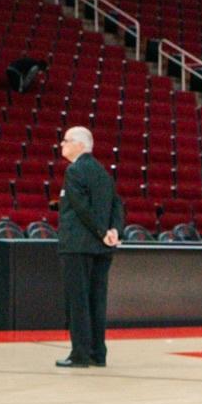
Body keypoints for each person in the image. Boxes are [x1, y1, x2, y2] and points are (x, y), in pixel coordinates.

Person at [56, 126, 123, 368]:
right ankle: (98, 352)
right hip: (101, 248)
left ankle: (80, 354)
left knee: (79, 301)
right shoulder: (102, 172)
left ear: (80, 145)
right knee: (97, 300)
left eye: (66, 140)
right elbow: (117, 204)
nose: (62, 144)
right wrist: (114, 230)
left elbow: (82, 208)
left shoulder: (75, 171)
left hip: (78, 246)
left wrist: (102, 231)